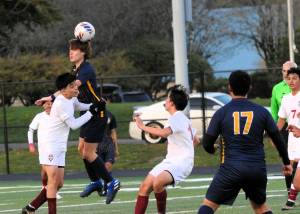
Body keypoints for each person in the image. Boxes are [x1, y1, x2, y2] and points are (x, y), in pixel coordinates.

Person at [35, 39, 120, 204]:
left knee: (89, 152)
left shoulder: (86, 69)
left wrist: (51, 97)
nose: (70, 52)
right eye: (70, 49)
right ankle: (96, 182)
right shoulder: (76, 68)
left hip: (97, 113)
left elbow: (69, 87)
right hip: (87, 111)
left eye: (74, 50)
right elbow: (68, 90)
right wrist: (52, 98)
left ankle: (111, 182)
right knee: (82, 149)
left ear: (83, 52)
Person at [198, 70, 292, 214]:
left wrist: (212, 149)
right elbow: (278, 138)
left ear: (229, 87)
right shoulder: (261, 111)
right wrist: (286, 162)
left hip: (230, 168)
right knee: (260, 207)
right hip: (256, 168)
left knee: (209, 205)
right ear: (250, 88)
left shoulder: (222, 112)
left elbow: (206, 143)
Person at [23, 72, 102, 214]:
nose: (76, 88)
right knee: (52, 182)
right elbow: (73, 125)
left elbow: (78, 106)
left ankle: (31, 207)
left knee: (59, 184)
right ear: (63, 90)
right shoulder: (59, 103)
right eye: (71, 86)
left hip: (60, 146)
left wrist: (93, 104)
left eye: (75, 84)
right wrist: (92, 112)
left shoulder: (71, 98)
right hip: (50, 146)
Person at [134, 85, 199, 214]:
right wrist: (187, 150)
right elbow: (196, 140)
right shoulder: (181, 118)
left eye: (168, 99)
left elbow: (164, 133)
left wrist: (142, 126)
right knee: (144, 187)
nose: (166, 101)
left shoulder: (177, 117)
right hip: (171, 161)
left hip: (181, 162)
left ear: (172, 103)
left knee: (158, 182)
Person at [270, 61, 297, 200]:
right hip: (285, 130)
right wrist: (273, 134)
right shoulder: (277, 89)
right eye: (284, 71)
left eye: (290, 70)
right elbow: (274, 114)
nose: (286, 73)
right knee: (287, 161)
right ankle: (290, 193)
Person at [277, 67, 300, 210]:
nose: (291, 81)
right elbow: (281, 120)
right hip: (293, 141)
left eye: (295, 78)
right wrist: (272, 134)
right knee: (290, 171)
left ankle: (290, 200)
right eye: (288, 78)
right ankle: (291, 199)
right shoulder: (285, 99)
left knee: (297, 180)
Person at [81, 110, 119, 197]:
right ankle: (99, 187)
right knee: (100, 168)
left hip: (108, 144)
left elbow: (113, 131)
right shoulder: (89, 114)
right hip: (96, 145)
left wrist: (116, 148)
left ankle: (107, 188)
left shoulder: (110, 115)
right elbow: (84, 132)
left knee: (108, 165)